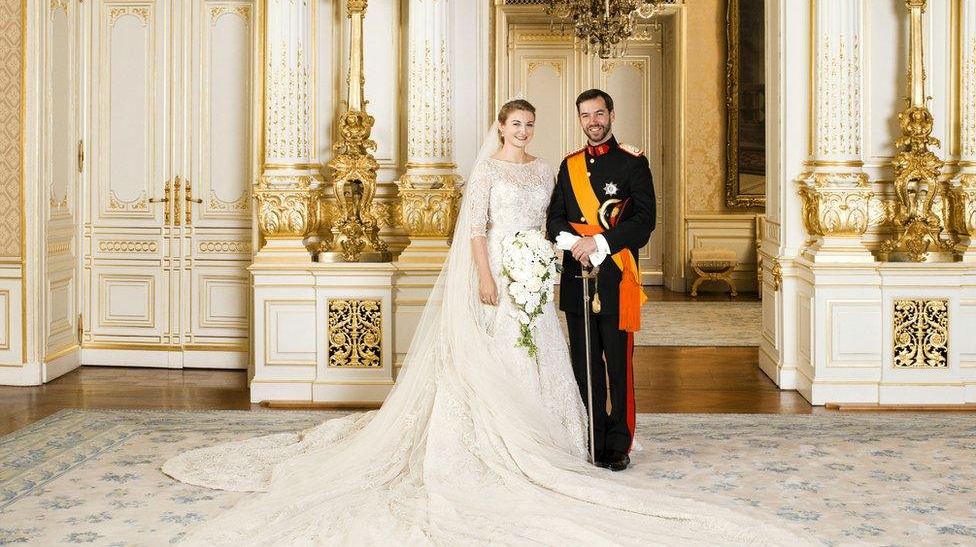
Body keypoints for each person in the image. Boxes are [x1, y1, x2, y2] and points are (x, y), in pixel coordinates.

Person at [161, 99, 803, 546]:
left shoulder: (557, 167)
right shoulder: (491, 168)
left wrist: (548, 260)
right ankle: (510, 444)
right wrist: (493, 275)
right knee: (502, 358)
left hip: (542, 274)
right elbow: (475, 231)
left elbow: (557, 217)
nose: (523, 131)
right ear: (500, 126)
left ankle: (580, 441)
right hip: (499, 272)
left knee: (553, 357)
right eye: (515, 123)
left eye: (530, 123)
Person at [547, 89, 656, 472]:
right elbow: (554, 218)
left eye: (599, 114)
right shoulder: (569, 164)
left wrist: (601, 241)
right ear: (579, 120)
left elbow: (644, 222)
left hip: (616, 278)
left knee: (618, 365)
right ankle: (591, 437)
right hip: (577, 278)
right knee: (584, 363)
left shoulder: (633, 163)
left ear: (611, 114)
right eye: (585, 116)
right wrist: (578, 242)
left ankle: (618, 442)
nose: (593, 122)